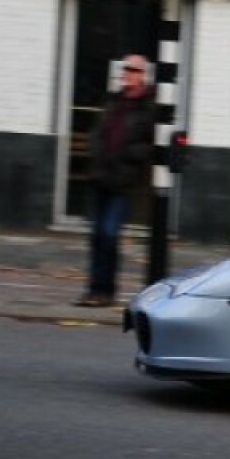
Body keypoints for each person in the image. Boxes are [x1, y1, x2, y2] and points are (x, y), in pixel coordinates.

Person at [75, 54, 155, 307]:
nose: (127, 73)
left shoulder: (148, 107)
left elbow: (150, 145)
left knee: (109, 234)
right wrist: (96, 151)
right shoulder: (113, 101)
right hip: (100, 176)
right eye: (125, 69)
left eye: (133, 69)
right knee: (97, 236)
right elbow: (99, 132)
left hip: (122, 181)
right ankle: (94, 290)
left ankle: (107, 290)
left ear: (143, 74)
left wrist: (128, 156)